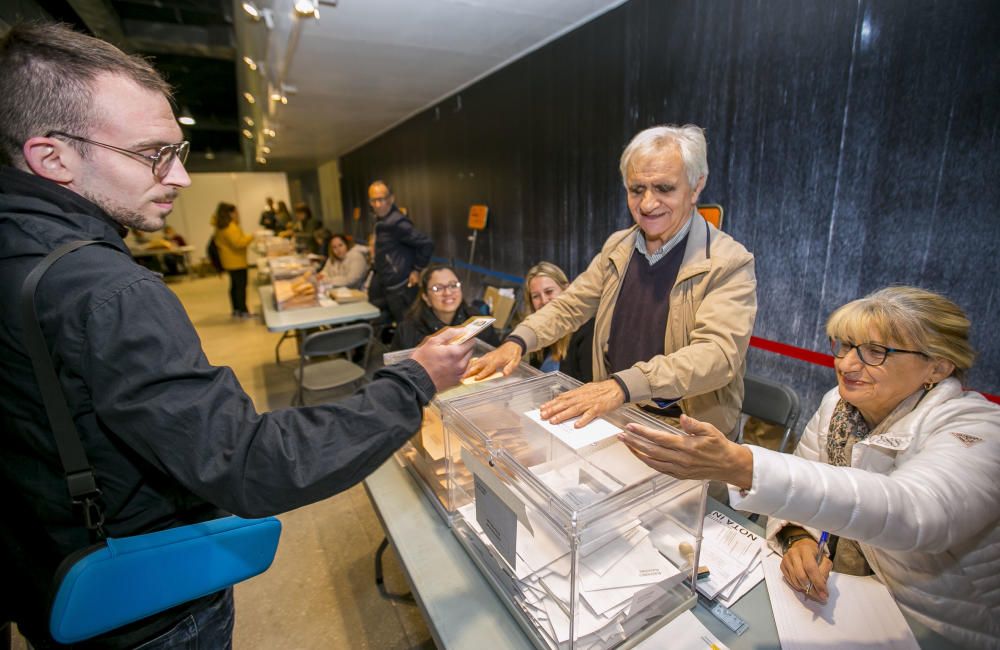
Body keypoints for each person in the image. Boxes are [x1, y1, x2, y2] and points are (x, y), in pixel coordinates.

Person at [0, 23, 473, 649]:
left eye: (178, 151)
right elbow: (253, 463)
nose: (180, 178)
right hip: (148, 611)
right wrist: (413, 381)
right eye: (152, 154)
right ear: (51, 157)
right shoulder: (107, 291)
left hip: (52, 575)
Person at [619, 287, 999, 648]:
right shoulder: (839, 406)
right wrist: (796, 537)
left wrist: (744, 467)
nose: (848, 364)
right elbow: (806, 480)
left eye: (875, 351)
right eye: (846, 346)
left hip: (937, 628)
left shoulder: (976, 428)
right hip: (851, 599)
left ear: (937, 366)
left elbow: (916, 511)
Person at [467, 125, 757, 438]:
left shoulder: (729, 262)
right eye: (636, 190)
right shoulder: (618, 247)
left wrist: (621, 386)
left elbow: (716, 356)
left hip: (686, 431)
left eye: (664, 188)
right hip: (621, 416)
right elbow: (570, 304)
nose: (647, 204)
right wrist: (518, 341)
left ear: (696, 186)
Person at [390, 263, 501, 351]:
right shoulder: (408, 330)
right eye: (437, 288)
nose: (448, 292)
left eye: (453, 285)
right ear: (425, 297)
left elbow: (495, 355)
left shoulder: (478, 321)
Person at [369, 180, 434, 325]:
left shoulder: (397, 223)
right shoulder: (381, 221)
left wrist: (417, 269)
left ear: (391, 199)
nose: (378, 205)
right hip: (388, 288)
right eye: (374, 200)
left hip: (401, 289)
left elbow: (426, 244)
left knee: (409, 330)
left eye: (381, 199)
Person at [522, 261, 593, 382]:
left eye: (549, 291)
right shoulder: (537, 334)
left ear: (566, 289)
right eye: (535, 296)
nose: (544, 300)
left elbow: (588, 387)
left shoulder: (586, 330)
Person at [213, 202, 255, 318]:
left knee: (234, 286)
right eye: (235, 212)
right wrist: (252, 236)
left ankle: (236, 309)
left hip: (229, 261)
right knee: (240, 286)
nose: (237, 214)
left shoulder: (220, 226)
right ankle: (243, 310)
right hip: (236, 261)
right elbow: (238, 243)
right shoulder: (230, 227)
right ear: (230, 213)